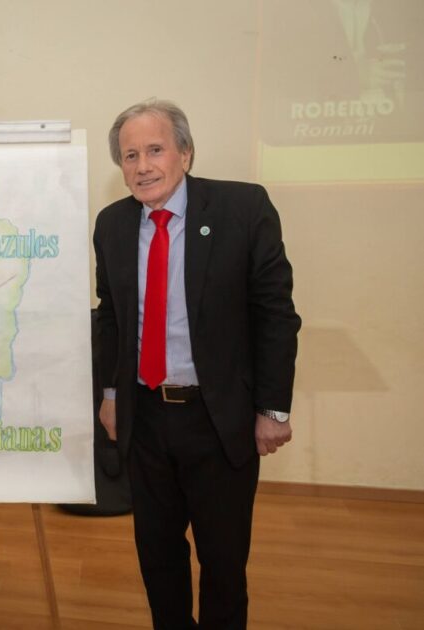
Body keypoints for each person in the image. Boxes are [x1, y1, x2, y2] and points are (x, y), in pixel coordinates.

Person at [93, 99, 300, 629]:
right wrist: (111, 395)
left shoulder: (242, 209)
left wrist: (273, 409)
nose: (142, 166)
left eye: (155, 150)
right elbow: (111, 316)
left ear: (185, 153)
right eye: (130, 155)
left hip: (218, 419)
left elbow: (275, 314)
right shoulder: (112, 224)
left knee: (223, 564)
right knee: (158, 557)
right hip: (145, 419)